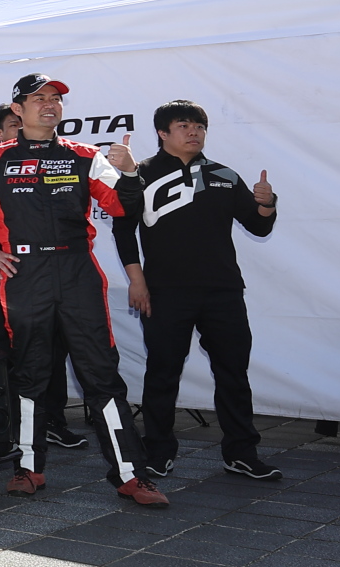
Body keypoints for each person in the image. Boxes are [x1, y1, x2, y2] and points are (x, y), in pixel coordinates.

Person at [0, 73, 161, 506]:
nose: (49, 105)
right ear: (18, 109)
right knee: (29, 375)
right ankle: (28, 469)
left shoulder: (85, 156)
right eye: (38, 98)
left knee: (101, 375)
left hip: (77, 270)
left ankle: (131, 475)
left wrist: (130, 172)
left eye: (55, 99)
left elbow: (123, 206)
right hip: (25, 275)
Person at [114, 100, 281, 481]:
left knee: (234, 374)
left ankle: (241, 454)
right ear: (162, 132)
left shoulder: (223, 175)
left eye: (200, 126)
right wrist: (137, 281)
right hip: (164, 292)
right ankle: (158, 453)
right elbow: (123, 230)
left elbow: (259, 227)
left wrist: (267, 204)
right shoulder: (140, 174)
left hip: (223, 291)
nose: (194, 132)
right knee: (162, 374)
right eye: (184, 125)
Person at [0, 103, 85, 451]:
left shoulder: (54, 164)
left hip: (55, 276)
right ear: (0, 133)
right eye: (13, 125)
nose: (20, 130)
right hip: (11, 277)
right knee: (9, 350)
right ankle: (7, 426)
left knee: (54, 349)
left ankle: (52, 421)